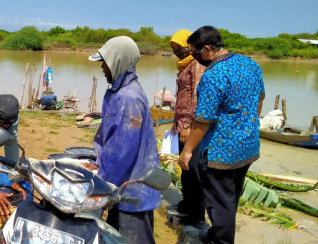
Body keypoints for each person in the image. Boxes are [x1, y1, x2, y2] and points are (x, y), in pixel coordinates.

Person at [179, 26, 265, 244]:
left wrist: (187, 150)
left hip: (221, 150)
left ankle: (221, 240)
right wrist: (249, 122)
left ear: (208, 49)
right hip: (248, 144)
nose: (195, 58)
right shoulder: (251, 64)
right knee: (231, 197)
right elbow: (260, 97)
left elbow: (203, 120)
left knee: (219, 201)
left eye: (196, 53)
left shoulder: (213, 75)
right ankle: (218, 234)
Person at [85, 36, 161, 244]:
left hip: (131, 189)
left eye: (105, 63)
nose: (102, 68)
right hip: (120, 184)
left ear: (117, 62)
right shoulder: (118, 92)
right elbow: (108, 136)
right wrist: (97, 162)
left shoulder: (128, 98)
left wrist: (100, 186)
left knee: (132, 238)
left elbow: (121, 152)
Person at [169, 29, 206, 227]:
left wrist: (188, 125)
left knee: (192, 168)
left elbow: (197, 97)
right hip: (181, 122)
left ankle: (197, 214)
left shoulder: (197, 65)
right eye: (174, 49)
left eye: (180, 48)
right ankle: (187, 203)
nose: (178, 52)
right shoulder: (185, 66)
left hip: (190, 125)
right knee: (185, 168)